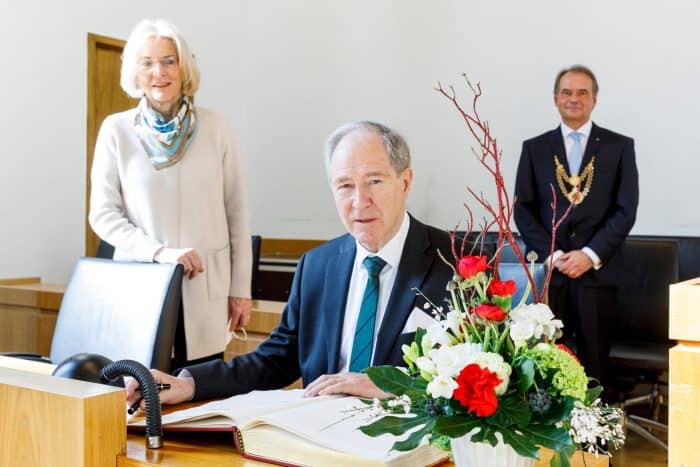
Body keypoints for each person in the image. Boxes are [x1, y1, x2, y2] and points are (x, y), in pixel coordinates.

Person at [127, 121, 454, 405]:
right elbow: (275, 360)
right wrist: (189, 383)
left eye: (374, 182)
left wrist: (396, 386)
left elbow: (485, 376)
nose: (359, 201)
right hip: (320, 434)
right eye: (345, 186)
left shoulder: (458, 263)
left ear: (405, 182)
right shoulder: (318, 265)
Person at [89, 19, 252, 368]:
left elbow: (237, 213)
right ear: (135, 72)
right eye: (147, 62)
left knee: (202, 395)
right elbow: (103, 215)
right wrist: (158, 251)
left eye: (168, 60)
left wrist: (241, 289)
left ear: (184, 68)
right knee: (140, 401)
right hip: (141, 287)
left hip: (206, 290)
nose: (158, 72)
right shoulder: (116, 131)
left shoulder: (216, 127)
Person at [514, 65, 639, 389]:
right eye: (567, 92)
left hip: (598, 273)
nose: (574, 99)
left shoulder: (619, 146)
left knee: (596, 362)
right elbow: (524, 209)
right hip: (549, 276)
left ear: (594, 99)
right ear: (556, 99)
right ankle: (552, 437)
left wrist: (588, 254)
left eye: (582, 92)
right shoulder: (535, 148)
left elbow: (625, 210)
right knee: (545, 362)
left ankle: (595, 437)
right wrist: (552, 255)